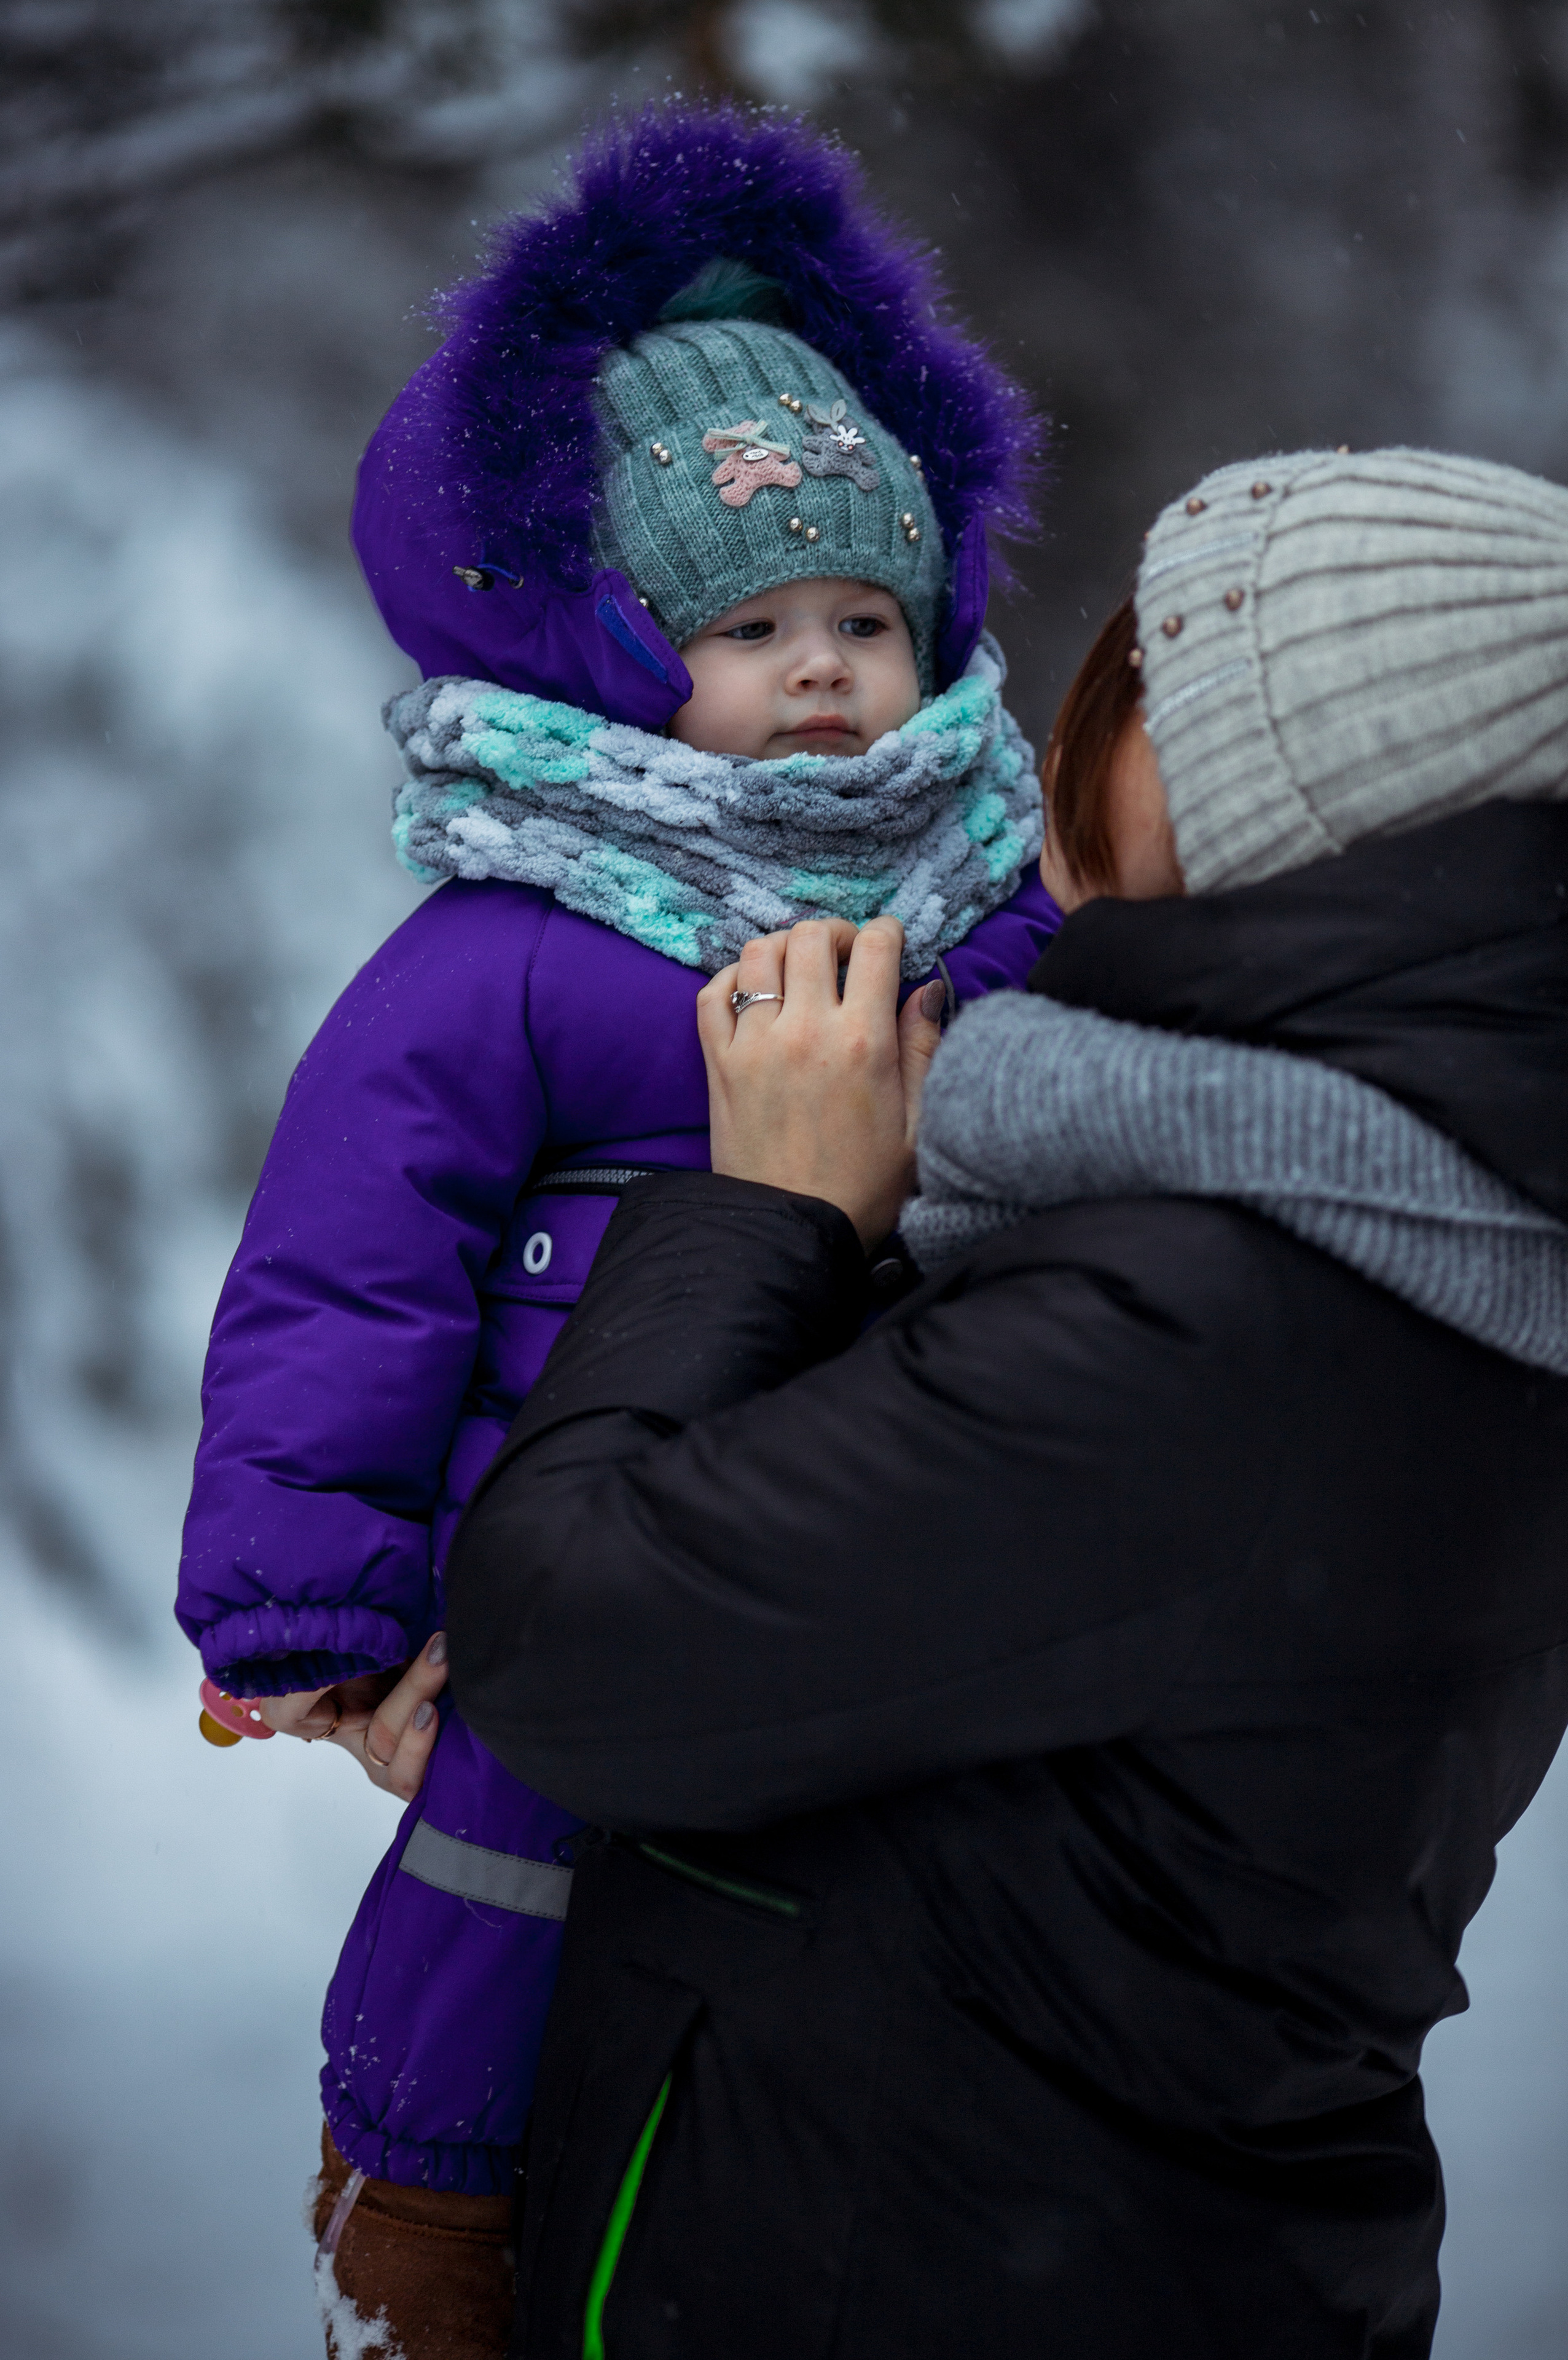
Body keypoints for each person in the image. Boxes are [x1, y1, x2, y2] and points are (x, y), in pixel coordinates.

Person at [445, 446, 1568, 2358]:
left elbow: (579, 1644)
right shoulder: (1394, 1222)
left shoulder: (1224, 1316)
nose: (1076, 722)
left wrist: (767, 1210)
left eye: (1157, 693)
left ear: (1311, 814)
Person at [172, 105, 1054, 2359]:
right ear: (617, 652)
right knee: (512, 1864)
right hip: (574, 1539)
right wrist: (316, 1590)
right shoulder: (527, 944)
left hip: (899, 1528)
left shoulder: (991, 894)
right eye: (751, 625)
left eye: (865, 614)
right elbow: (351, 1260)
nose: (831, 668)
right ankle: (434, 2210)